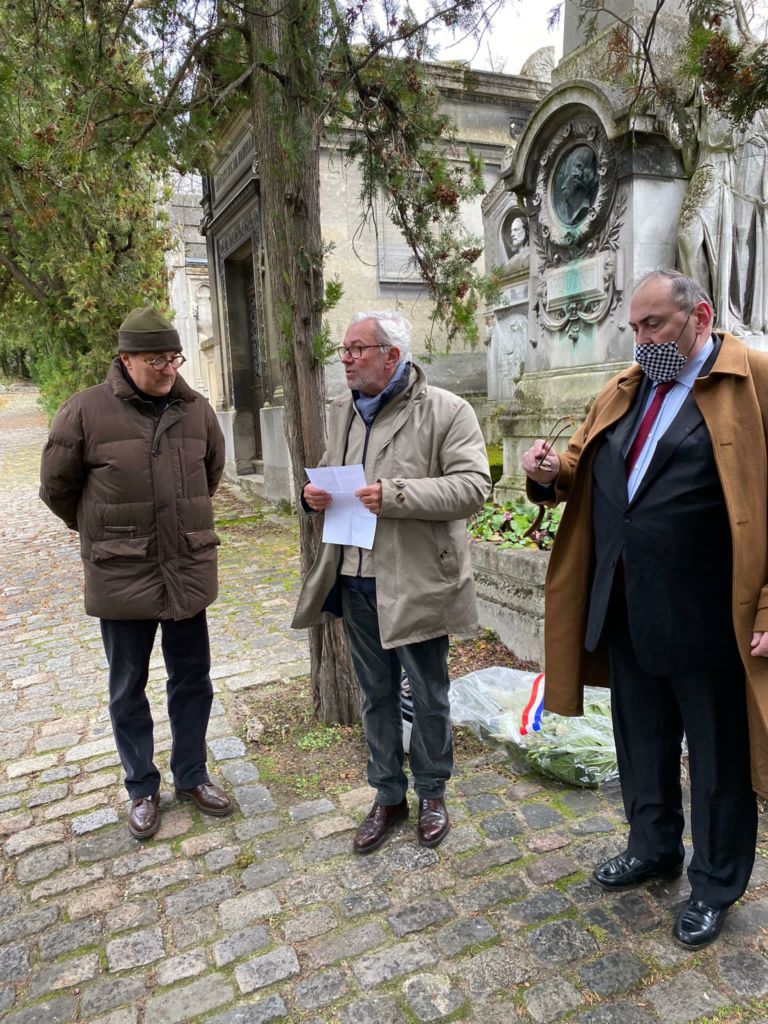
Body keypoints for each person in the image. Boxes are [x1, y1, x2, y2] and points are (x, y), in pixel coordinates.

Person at [521, 269, 768, 949]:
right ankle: (653, 846)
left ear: (701, 315)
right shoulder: (625, 388)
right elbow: (580, 471)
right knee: (641, 742)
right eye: (634, 327)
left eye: (653, 324)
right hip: (626, 604)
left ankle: (715, 882)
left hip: (713, 615)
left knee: (717, 760)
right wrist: (547, 475)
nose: (641, 339)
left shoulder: (754, 381)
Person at [292, 310, 491, 853]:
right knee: (375, 694)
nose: (347, 358)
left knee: (428, 694)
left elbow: (474, 487)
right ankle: (387, 794)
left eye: (358, 349)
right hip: (354, 577)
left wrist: (398, 495)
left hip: (417, 581)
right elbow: (336, 475)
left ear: (392, 356)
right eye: (345, 349)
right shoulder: (344, 414)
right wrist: (315, 497)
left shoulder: (449, 410)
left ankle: (432, 792)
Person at [40, 307, 232, 839]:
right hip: (122, 574)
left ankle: (191, 775)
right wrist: (106, 534)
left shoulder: (196, 410)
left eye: (174, 358)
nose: (169, 368)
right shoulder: (82, 412)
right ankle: (141, 787)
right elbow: (58, 489)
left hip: (186, 567)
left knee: (192, 678)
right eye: (156, 360)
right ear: (125, 360)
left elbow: (210, 473)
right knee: (128, 685)